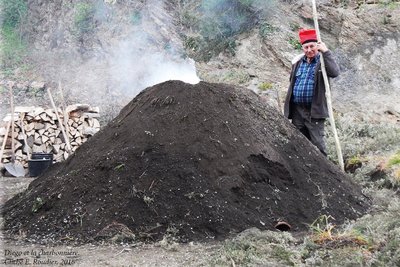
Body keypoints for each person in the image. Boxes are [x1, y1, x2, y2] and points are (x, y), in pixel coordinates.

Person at [283, 29, 340, 156]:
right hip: (297, 110)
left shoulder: (322, 62)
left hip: (314, 111)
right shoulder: (297, 62)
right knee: (299, 142)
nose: (309, 50)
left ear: (317, 46)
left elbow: (335, 72)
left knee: (318, 145)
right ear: (302, 48)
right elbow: (292, 81)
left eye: (312, 46)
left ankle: (324, 173)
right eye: (306, 47)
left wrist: (326, 52)